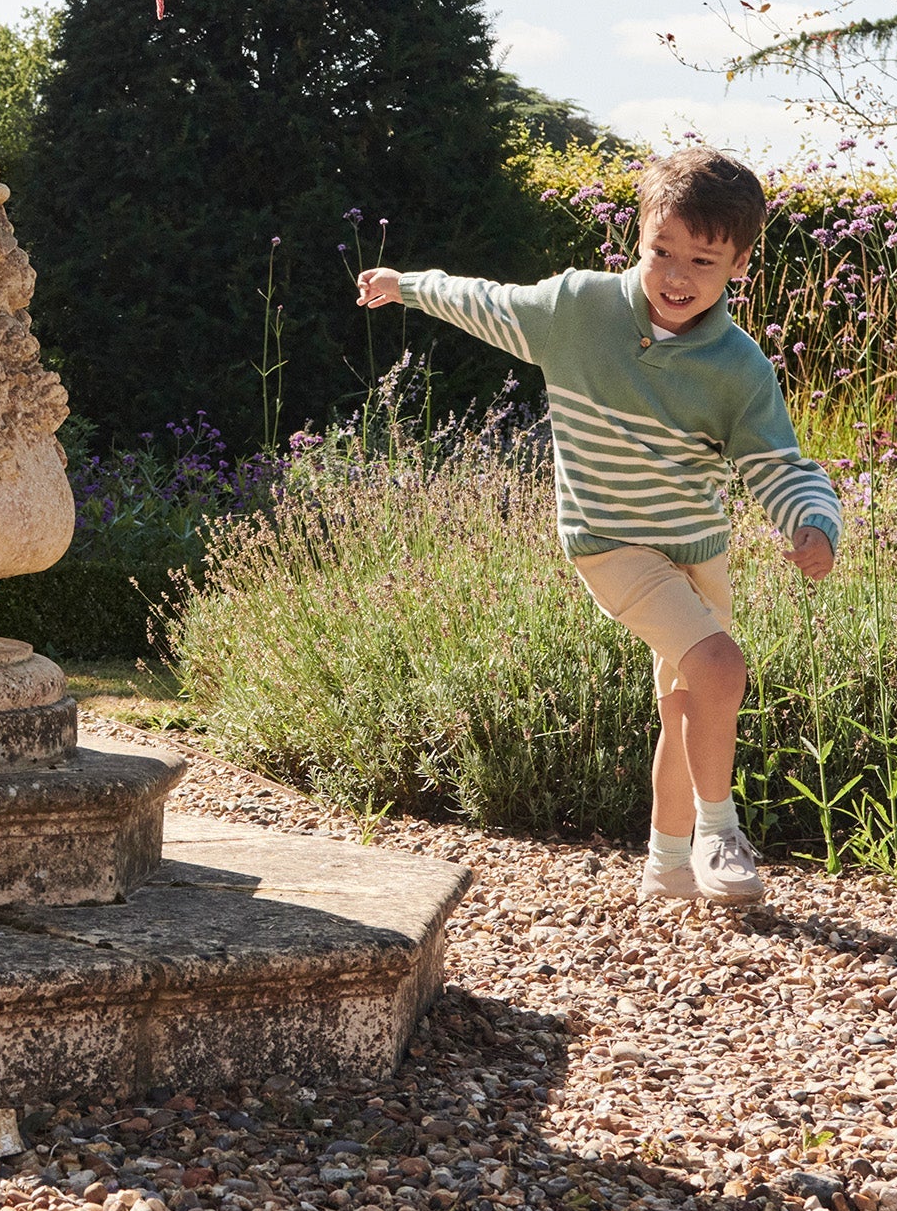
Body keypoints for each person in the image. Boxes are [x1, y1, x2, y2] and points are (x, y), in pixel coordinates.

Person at [356, 145, 839, 905]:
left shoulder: (739, 367)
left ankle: (667, 868)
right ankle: (720, 832)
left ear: (740, 264)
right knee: (721, 669)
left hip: (697, 549)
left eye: (703, 261)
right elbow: (488, 301)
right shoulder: (578, 309)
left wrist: (812, 522)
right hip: (609, 542)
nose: (677, 276)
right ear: (638, 239)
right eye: (662, 252)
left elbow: (775, 463)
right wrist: (407, 285)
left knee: (691, 703)